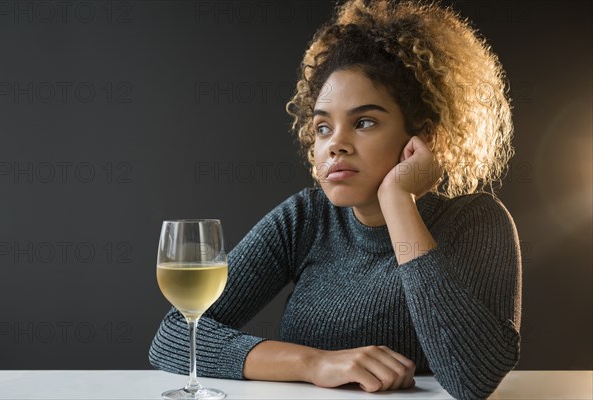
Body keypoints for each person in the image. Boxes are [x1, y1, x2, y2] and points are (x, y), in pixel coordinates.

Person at [149, 0, 522, 399]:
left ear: (424, 139)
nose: (335, 145)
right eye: (324, 127)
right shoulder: (305, 218)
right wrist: (314, 364)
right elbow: (173, 336)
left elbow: (473, 381)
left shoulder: (477, 221)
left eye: (364, 122)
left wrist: (398, 199)